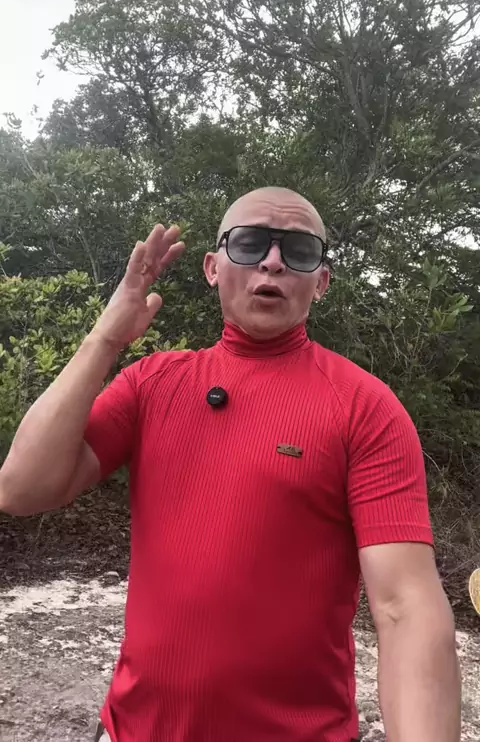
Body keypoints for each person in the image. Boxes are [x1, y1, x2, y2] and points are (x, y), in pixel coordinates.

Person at [0, 187, 461, 742]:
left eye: (299, 251)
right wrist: (106, 337)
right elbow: (22, 488)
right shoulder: (152, 384)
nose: (273, 261)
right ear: (213, 268)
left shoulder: (365, 408)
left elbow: (406, 607)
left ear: (321, 282)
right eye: (249, 244)